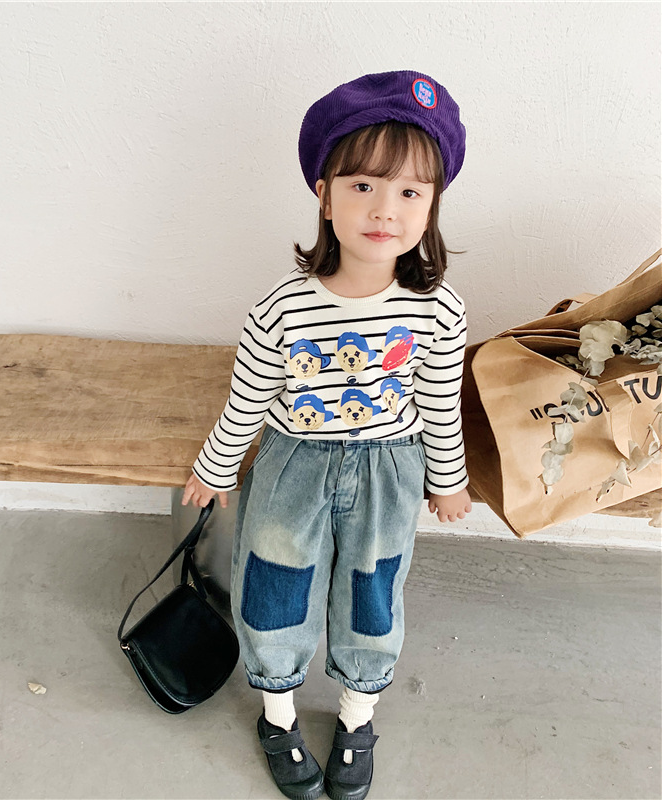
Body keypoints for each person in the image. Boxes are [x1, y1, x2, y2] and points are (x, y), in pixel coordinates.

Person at [182, 70, 472, 800]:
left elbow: (440, 403)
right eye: (362, 185)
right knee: (274, 585)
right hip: (294, 466)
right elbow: (247, 399)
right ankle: (277, 715)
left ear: (433, 203)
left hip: (389, 469)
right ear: (324, 193)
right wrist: (216, 468)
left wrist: (448, 479)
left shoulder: (438, 309)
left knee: (374, 594)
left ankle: (357, 716)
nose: (384, 209)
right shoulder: (282, 308)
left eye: (410, 192)